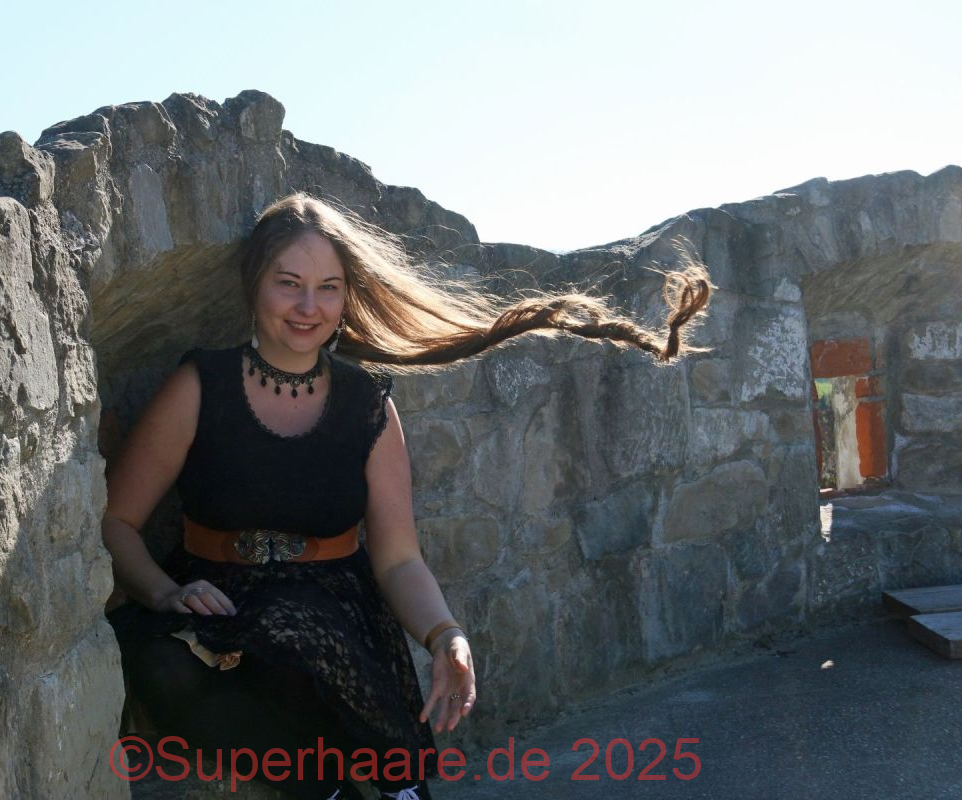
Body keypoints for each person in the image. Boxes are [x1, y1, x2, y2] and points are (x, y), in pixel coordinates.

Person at [102, 193, 710, 799]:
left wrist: (446, 636)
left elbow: (397, 559)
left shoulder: (367, 404)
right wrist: (165, 592)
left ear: (347, 296)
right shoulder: (199, 386)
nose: (309, 307)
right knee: (159, 665)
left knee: (295, 640)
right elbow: (118, 522)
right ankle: (331, 793)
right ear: (253, 282)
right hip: (216, 600)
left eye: (329, 288)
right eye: (289, 284)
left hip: (330, 615)